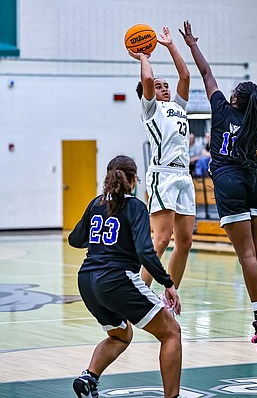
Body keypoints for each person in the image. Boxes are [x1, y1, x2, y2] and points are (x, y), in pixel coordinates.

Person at [180, 20, 257, 353]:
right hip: (253, 184)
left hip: (228, 182)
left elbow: (206, 73)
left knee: (246, 256)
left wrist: (193, 45)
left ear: (236, 98)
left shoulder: (222, 109)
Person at [68, 155, 182, 398]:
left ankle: (89, 378)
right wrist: (168, 283)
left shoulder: (95, 204)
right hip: (116, 278)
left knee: (121, 333)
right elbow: (145, 252)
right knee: (171, 332)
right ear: (133, 179)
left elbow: (75, 239)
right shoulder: (136, 206)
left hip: (86, 281)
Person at [130, 26, 196, 300]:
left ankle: (171, 295)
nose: (164, 87)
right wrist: (144, 55)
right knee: (161, 240)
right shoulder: (150, 109)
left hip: (184, 176)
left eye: (164, 85)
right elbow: (146, 78)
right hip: (162, 175)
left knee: (185, 242)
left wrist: (170, 46)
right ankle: (140, 295)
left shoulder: (178, 106)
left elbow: (185, 75)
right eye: (159, 86)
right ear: (149, 93)